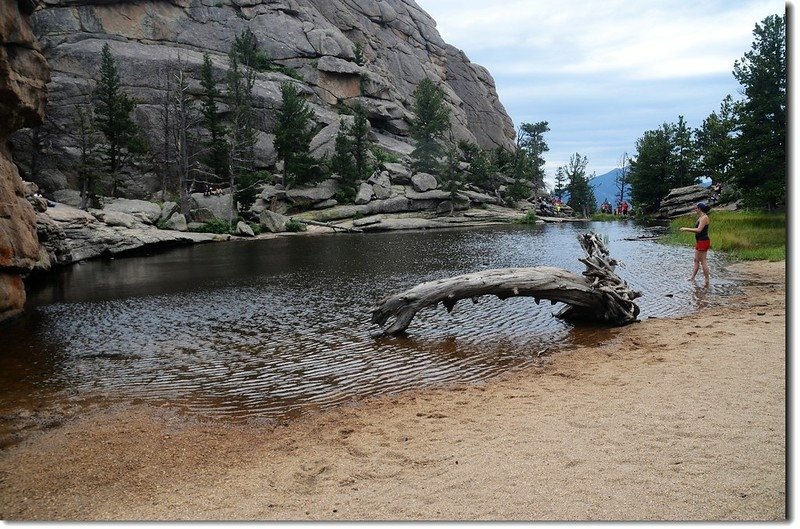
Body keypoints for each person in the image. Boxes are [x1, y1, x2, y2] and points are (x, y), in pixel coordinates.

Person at [680, 202, 711, 286]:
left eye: (696, 208)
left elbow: (699, 230)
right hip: (699, 241)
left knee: (703, 261)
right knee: (696, 260)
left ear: (700, 209)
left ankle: (707, 280)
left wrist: (686, 229)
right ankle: (692, 277)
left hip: (703, 241)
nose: (695, 209)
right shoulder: (700, 217)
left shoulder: (704, 217)